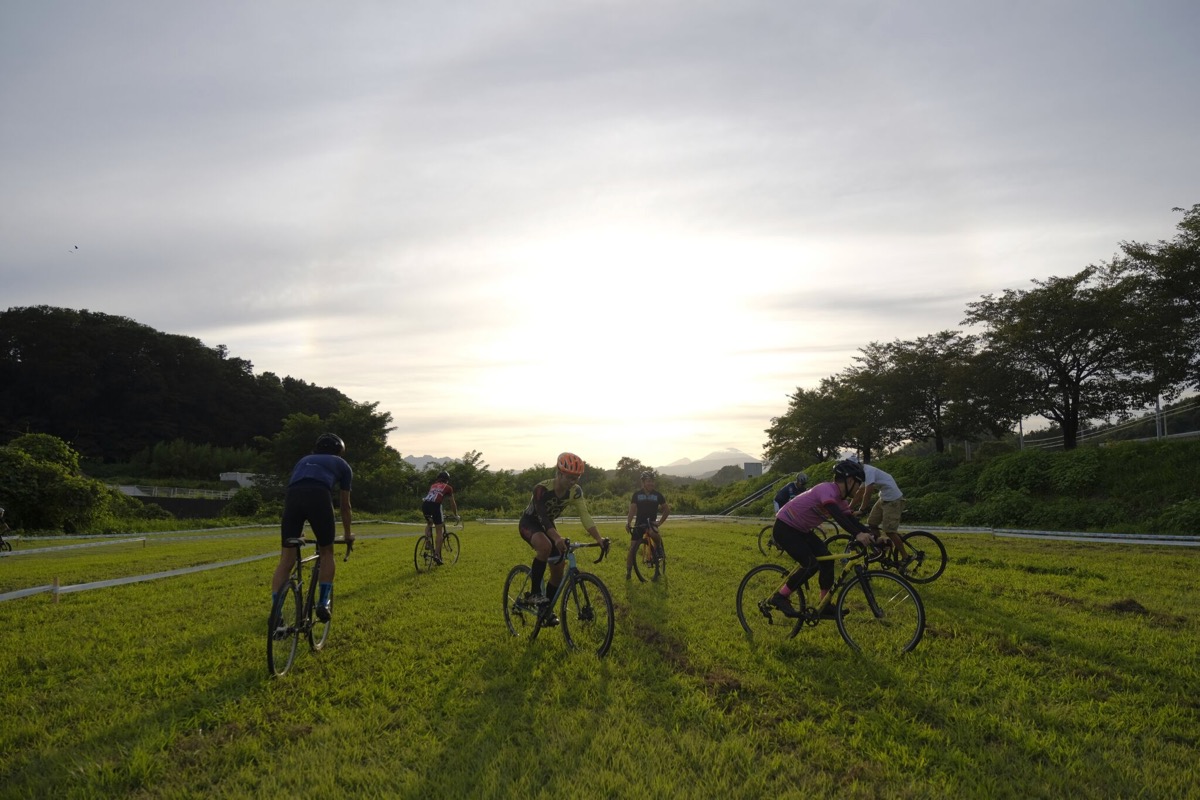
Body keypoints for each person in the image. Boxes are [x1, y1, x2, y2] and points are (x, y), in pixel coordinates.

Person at [766, 459, 869, 618]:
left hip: (801, 530)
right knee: (810, 564)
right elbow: (837, 516)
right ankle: (780, 597)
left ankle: (825, 605)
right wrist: (857, 534)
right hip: (785, 527)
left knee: (827, 560)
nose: (859, 487)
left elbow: (851, 520)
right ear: (849, 480)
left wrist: (876, 537)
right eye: (858, 483)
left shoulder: (841, 501)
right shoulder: (826, 489)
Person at [271, 433, 354, 622]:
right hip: (319, 497)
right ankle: (323, 603)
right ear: (339, 450)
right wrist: (348, 534)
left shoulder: (303, 460)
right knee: (327, 552)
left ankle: (276, 613)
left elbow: (299, 489)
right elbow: (345, 506)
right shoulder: (342, 465)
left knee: (286, 561)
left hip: (292, 499)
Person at [518, 452, 609, 624]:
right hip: (530, 523)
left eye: (576, 478)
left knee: (558, 569)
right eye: (569, 477)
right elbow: (543, 518)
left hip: (548, 526)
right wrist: (557, 538)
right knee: (545, 546)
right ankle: (534, 593)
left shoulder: (575, 492)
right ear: (559, 473)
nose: (572, 482)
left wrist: (599, 538)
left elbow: (585, 516)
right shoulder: (542, 489)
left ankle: (546, 610)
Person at [847, 456, 908, 557]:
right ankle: (881, 548)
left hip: (894, 500)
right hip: (884, 498)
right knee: (872, 523)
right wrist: (848, 508)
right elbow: (859, 492)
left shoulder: (868, 471)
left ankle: (905, 556)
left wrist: (861, 510)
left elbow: (868, 492)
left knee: (889, 531)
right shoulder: (862, 473)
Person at [624, 471, 670, 580]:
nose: (651, 483)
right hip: (639, 523)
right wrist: (628, 522)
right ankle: (628, 572)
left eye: (652, 481)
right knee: (633, 548)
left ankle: (658, 548)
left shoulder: (658, 495)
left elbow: (666, 510)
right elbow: (632, 510)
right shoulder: (637, 495)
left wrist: (659, 522)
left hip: (651, 523)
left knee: (653, 533)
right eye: (648, 481)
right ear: (643, 482)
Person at [421, 470, 459, 565]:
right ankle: (437, 555)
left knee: (429, 523)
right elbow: (452, 503)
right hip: (435, 506)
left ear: (438, 479)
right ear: (447, 480)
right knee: (439, 531)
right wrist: (456, 515)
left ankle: (427, 542)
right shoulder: (448, 487)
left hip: (425, 505)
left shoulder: (433, 485)